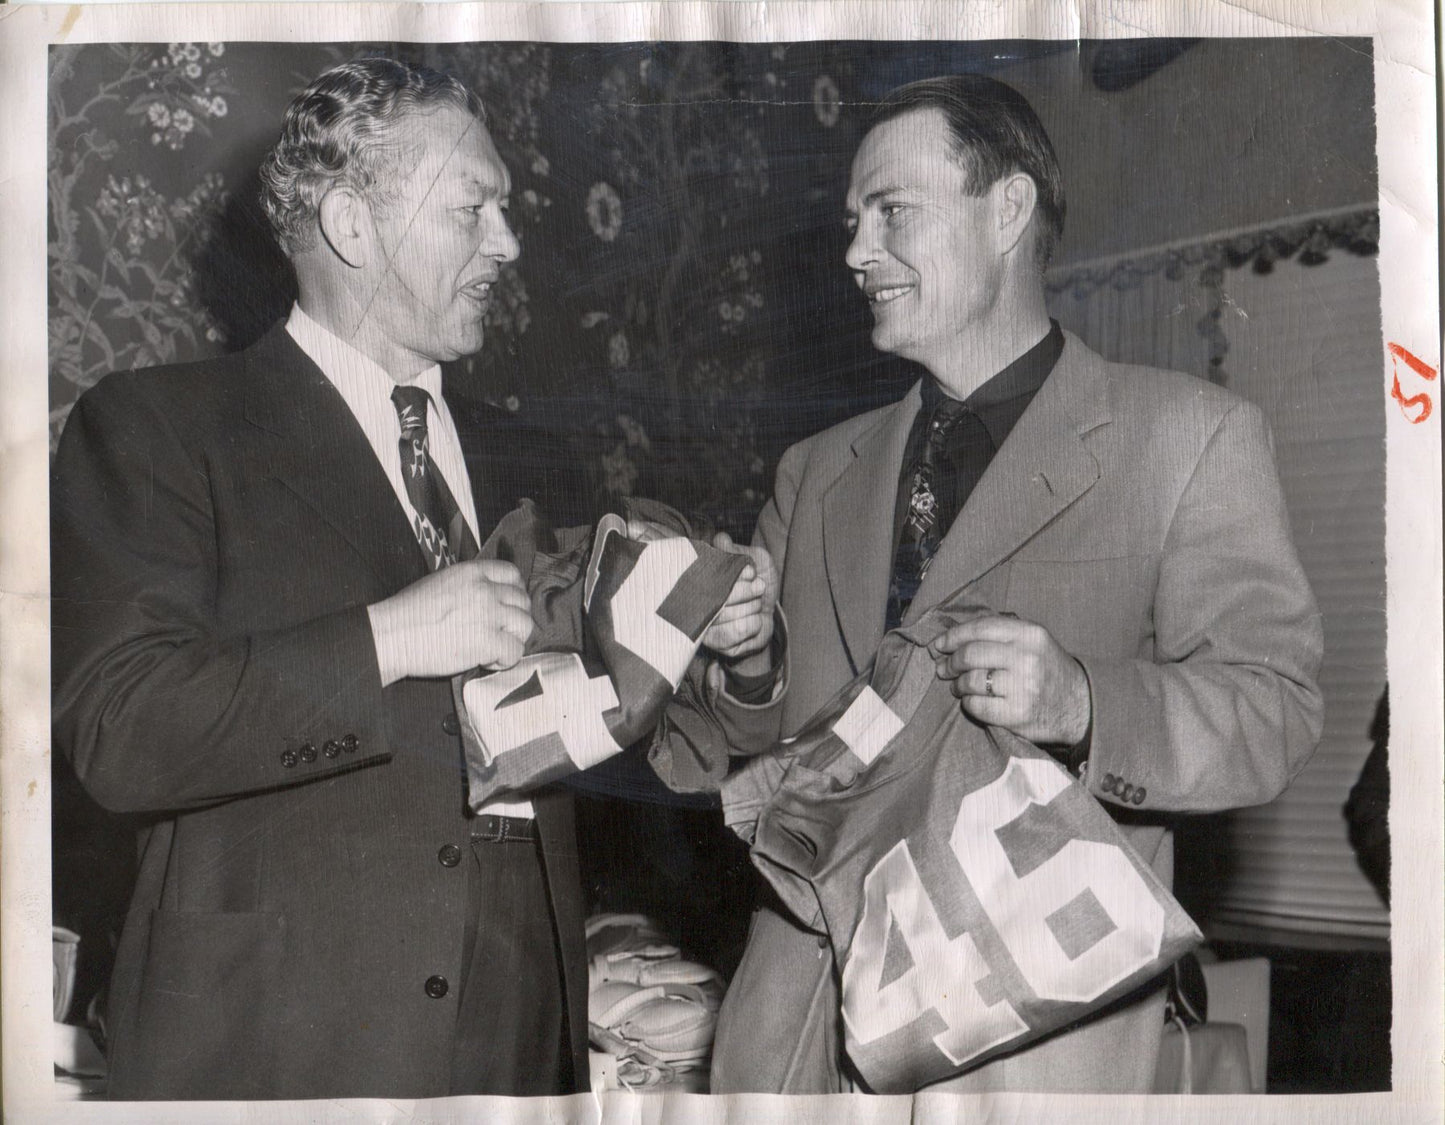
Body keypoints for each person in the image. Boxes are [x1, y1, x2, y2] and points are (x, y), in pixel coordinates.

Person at [50, 56, 775, 1101]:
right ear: (353, 225)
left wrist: (725, 660)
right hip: (282, 1043)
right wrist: (388, 638)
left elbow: (639, 746)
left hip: (519, 1041)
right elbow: (121, 731)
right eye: (473, 207)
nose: (510, 242)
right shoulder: (160, 429)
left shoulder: (538, 464)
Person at [704, 74, 1324, 1094]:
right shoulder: (813, 472)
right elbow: (755, 760)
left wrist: (1083, 701)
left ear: (1006, 210)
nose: (856, 251)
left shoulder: (1188, 437)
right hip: (796, 1047)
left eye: (891, 212)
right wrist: (745, 659)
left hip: (1030, 1054)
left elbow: (1273, 710)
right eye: (853, 221)